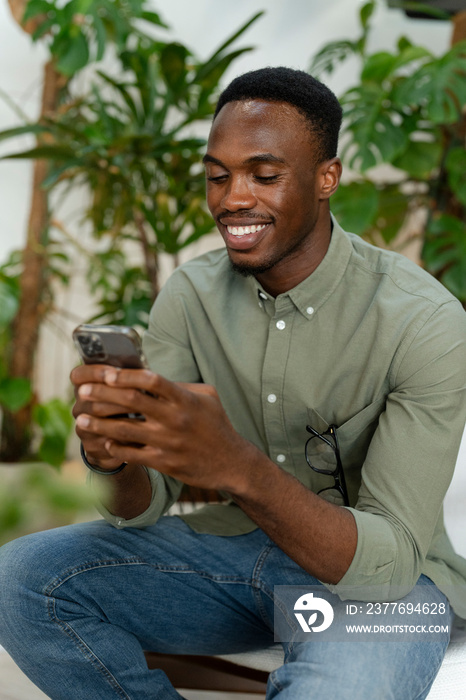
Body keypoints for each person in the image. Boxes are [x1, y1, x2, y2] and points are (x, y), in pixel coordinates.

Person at [0, 66, 465, 700]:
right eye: (218, 176)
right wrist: (113, 458)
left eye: (264, 176)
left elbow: (387, 567)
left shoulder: (424, 321)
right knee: (21, 578)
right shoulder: (192, 295)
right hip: (231, 556)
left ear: (327, 177)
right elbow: (138, 512)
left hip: (384, 585)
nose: (231, 199)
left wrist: (238, 466)